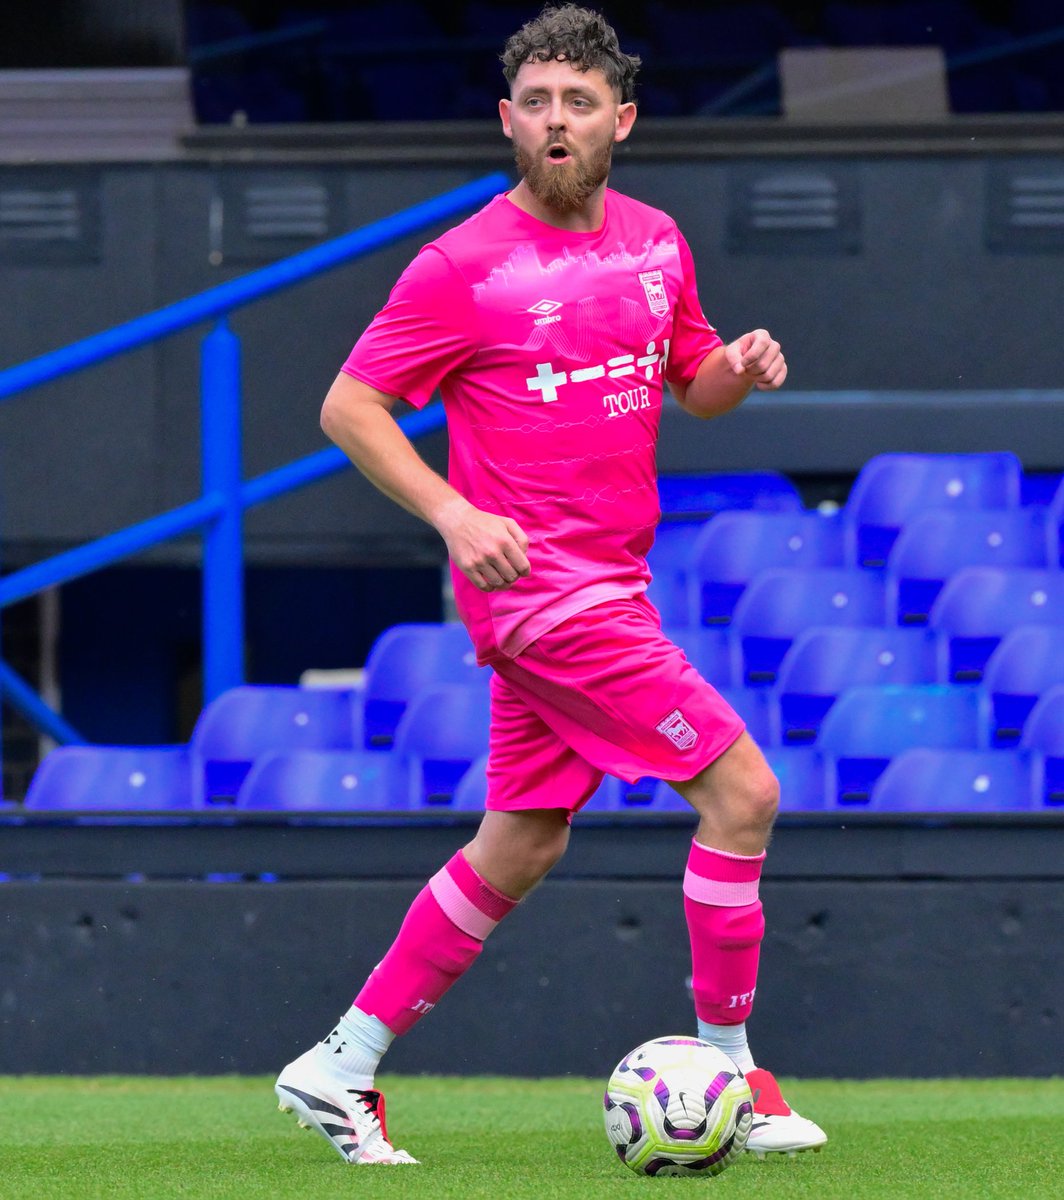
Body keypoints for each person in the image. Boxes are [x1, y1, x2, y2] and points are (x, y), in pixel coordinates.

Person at [275, 2, 826, 1166]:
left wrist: (735, 365)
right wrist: (451, 510)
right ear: (506, 122)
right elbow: (348, 406)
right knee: (742, 792)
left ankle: (338, 1066)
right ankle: (733, 1078)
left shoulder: (655, 240)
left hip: (610, 583)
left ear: (618, 118)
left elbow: (691, 382)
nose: (557, 121)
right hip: (539, 593)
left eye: (578, 101)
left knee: (521, 841)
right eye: (536, 103)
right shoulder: (460, 268)